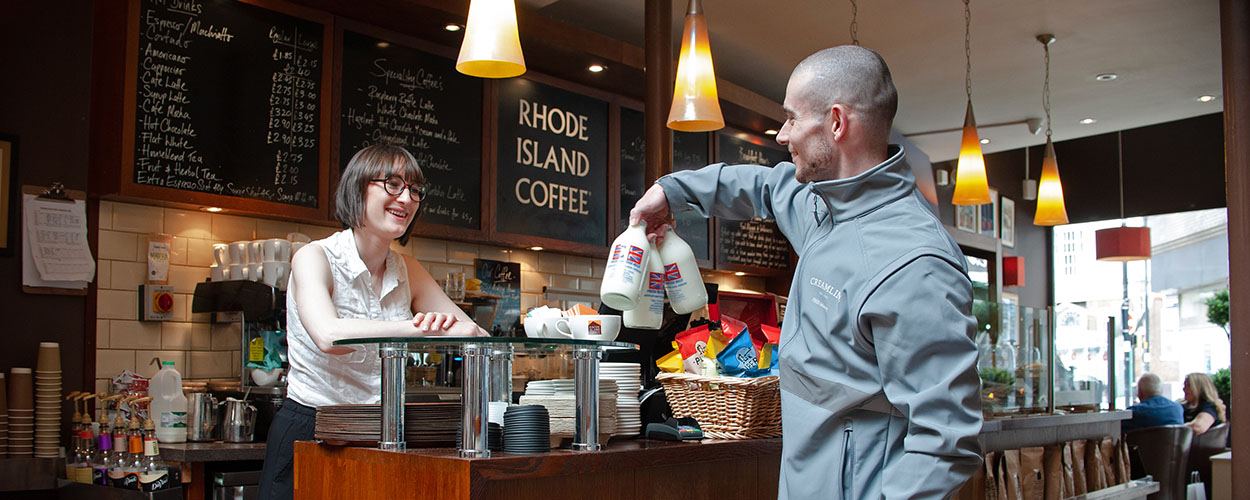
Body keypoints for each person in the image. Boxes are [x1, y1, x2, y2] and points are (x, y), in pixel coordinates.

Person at [630, 46, 982, 499]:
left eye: (792, 118)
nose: (781, 134)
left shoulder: (915, 262)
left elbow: (947, 439)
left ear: (836, 123)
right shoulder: (823, 206)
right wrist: (671, 191)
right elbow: (764, 185)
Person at [259, 145, 487, 500]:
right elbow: (328, 336)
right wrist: (413, 329)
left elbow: (476, 334)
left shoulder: (407, 269)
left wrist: (444, 325)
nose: (406, 198)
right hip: (311, 430)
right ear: (358, 187)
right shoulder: (314, 257)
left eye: (414, 190)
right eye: (393, 184)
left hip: (379, 432)